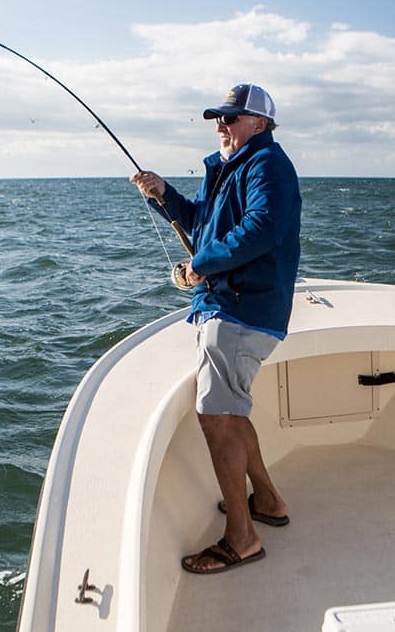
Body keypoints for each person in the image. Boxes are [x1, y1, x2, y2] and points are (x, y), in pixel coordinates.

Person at [130, 83, 301, 574]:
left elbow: (262, 226)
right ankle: (267, 501)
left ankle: (243, 537)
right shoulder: (228, 168)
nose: (222, 126)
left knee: (217, 417)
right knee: (230, 411)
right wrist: (164, 196)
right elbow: (203, 222)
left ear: (261, 124)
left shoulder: (267, 165)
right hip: (229, 307)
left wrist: (200, 266)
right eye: (218, 119)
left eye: (232, 118)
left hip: (241, 310)